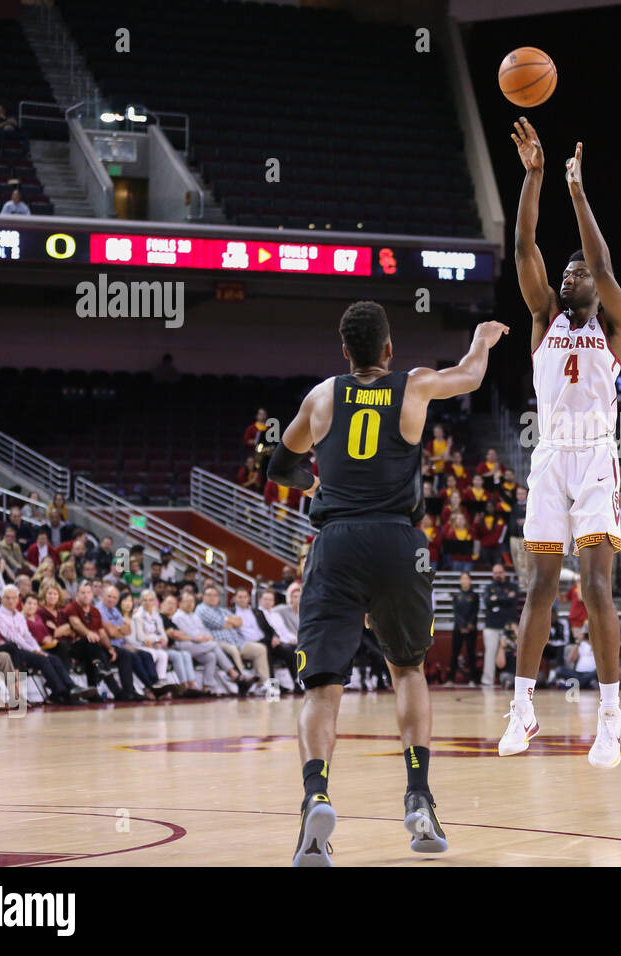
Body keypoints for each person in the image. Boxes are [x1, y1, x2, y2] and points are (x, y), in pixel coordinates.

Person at [266, 298, 506, 864]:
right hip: (399, 541)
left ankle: (315, 797)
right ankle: (419, 797)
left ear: (345, 351)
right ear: (390, 350)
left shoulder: (322, 396)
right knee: (408, 669)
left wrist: (318, 489)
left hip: (338, 542)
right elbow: (470, 376)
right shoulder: (415, 385)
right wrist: (482, 340)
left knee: (322, 687)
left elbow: (280, 466)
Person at [503, 118, 621, 770]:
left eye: (577, 270)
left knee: (597, 586)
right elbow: (524, 242)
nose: (570, 272)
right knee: (540, 586)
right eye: (566, 270)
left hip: (595, 457)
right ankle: (522, 705)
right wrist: (534, 177)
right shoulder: (541, 320)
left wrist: (577, 193)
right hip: (552, 454)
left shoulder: (616, 326)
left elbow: (603, 262)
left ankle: (609, 716)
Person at [448, 572, 480, 686]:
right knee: (454, 653)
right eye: (463, 578)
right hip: (458, 629)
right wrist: (461, 625)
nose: (465, 580)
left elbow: (475, 612)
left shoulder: (475, 596)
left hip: (471, 629)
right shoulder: (457, 596)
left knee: (471, 653)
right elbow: (456, 612)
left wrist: (469, 625)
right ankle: (450, 679)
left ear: (470, 581)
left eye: (467, 578)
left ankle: (473, 679)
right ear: (460, 581)